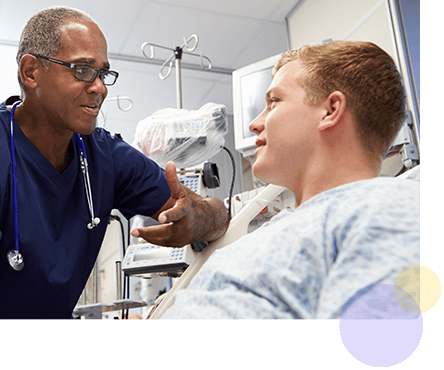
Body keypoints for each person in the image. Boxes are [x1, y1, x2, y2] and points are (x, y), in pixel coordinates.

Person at [0, 6, 229, 320]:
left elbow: (216, 213)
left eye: (103, 73)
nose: (99, 88)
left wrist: (196, 221)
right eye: (82, 70)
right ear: (31, 72)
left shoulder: (105, 155)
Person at [161, 41, 420, 319]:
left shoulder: (386, 211)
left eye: (273, 102)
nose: (255, 124)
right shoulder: (276, 231)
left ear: (331, 110)